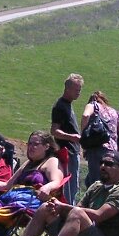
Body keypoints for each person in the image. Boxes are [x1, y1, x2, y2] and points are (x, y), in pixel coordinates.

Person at [9, 151, 119, 236]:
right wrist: (57, 207)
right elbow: (76, 209)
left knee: (77, 213)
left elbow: (98, 216)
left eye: (109, 164)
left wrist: (63, 206)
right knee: (45, 208)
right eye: (101, 163)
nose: (103, 166)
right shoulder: (96, 186)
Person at [80, 90, 119, 188]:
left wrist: (84, 137)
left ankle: (94, 203)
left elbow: (85, 115)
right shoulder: (114, 112)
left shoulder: (93, 105)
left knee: (96, 184)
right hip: (113, 152)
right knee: (108, 183)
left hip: (97, 148)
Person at [51, 73, 83, 203]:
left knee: (73, 188)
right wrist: (71, 137)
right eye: (76, 90)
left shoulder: (68, 105)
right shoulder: (60, 106)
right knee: (69, 189)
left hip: (73, 152)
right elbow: (54, 131)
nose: (78, 93)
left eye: (79, 90)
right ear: (67, 89)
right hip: (67, 153)